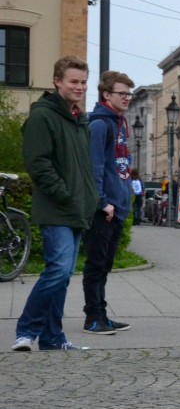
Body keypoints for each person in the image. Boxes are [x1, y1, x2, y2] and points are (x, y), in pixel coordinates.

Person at [12, 56, 99, 352]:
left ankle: (53, 338)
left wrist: (89, 199)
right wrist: (65, 195)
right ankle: (26, 331)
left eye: (84, 82)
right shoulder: (43, 117)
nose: (79, 87)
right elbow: (38, 164)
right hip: (56, 207)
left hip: (76, 208)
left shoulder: (79, 119)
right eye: (73, 81)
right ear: (57, 81)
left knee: (62, 278)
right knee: (58, 271)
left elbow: (83, 167)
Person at [81, 71, 136, 335]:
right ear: (106, 94)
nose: (127, 98)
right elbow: (95, 167)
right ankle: (93, 318)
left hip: (118, 206)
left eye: (128, 94)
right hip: (104, 209)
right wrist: (103, 202)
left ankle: (102, 314)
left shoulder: (120, 122)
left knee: (105, 266)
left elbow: (122, 165)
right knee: (95, 265)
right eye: (121, 93)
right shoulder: (100, 124)